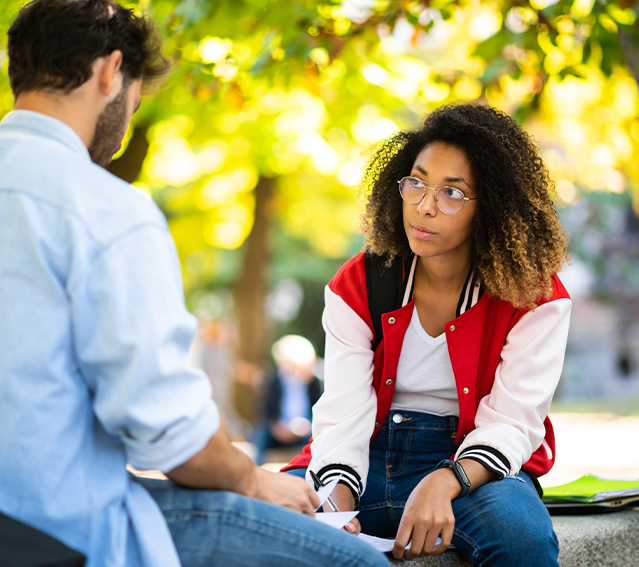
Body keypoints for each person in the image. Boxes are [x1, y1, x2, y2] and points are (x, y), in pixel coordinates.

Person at [0, 2, 390, 567]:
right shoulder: (104, 209)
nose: (129, 117)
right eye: (135, 98)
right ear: (111, 72)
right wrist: (258, 481)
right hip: (65, 528)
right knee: (362, 563)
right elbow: (170, 436)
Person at [283, 103, 572, 565]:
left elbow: (514, 422)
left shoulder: (536, 295)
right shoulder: (360, 282)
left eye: (452, 193)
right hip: (364, 457)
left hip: (476, 470)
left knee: (523, 541)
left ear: (493, 206)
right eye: (415, 182)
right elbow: (343, 411)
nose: (424, 205)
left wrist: (446, 479)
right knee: (271, 524)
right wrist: (334, 500)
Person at [254, 335, 322, 465]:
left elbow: (321, 412)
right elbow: (264, 412)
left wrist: (306, 426)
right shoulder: (272, 381)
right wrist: (275, 427)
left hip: (306, 431)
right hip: (279, 430)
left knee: (317, 436)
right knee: (260, 434)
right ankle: (257, 470)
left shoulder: (316, 383)